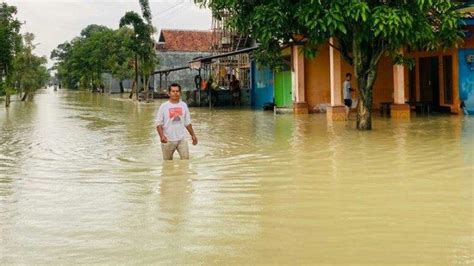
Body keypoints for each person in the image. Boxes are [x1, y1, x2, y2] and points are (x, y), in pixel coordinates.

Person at [155, 83, 198, 160]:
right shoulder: (163, 106)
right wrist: (162, 136)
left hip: (182, 139)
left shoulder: (184, 105)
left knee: (185, 162)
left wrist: (193, 135)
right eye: (173, 91)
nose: (175, 93)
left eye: (177, 91)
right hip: (168, 140)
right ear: (169, 93)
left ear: (180, 93)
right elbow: (159, 124)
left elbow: (187, 123)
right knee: (167, 164)